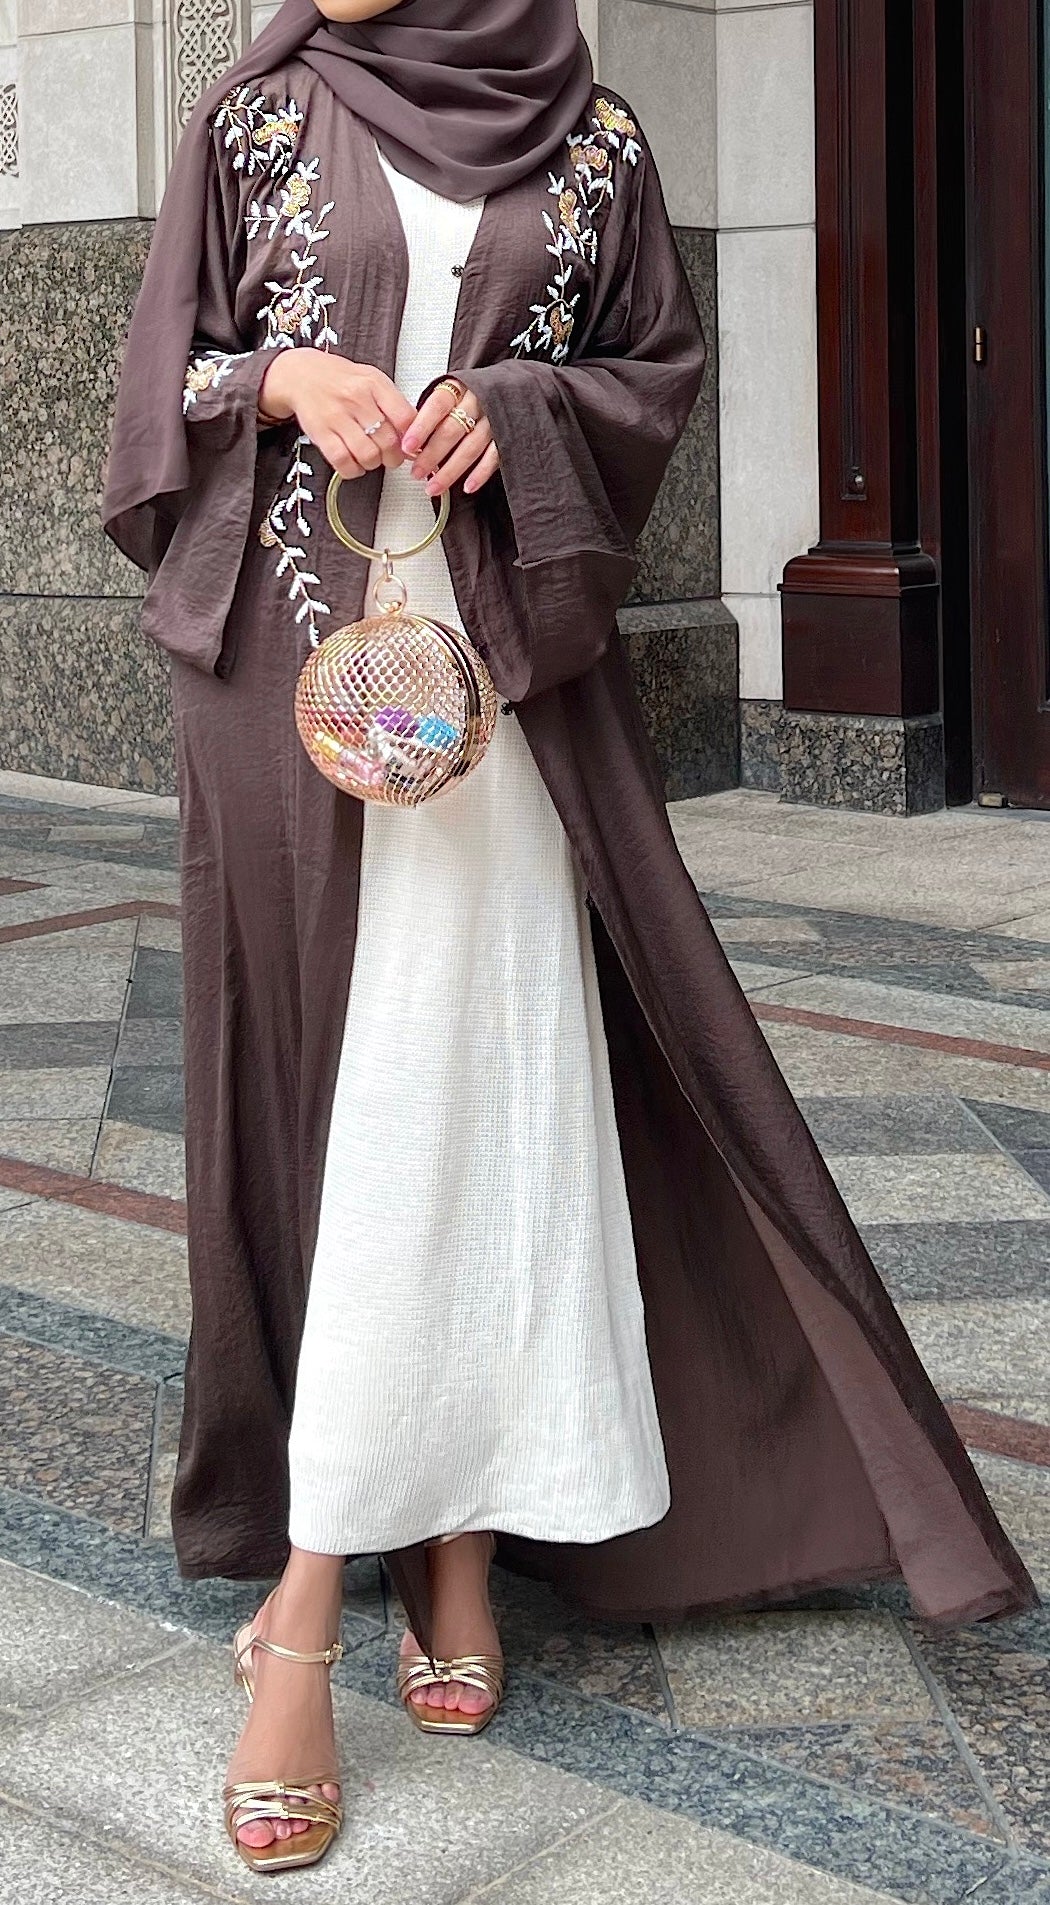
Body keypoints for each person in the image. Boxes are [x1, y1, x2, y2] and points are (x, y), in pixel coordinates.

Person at [104, 0, 1037, 1877]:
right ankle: (323, 1570)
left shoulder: (593, 138)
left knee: (475, 1098)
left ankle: (435, 1547)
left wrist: (513, 411)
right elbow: (159, 383)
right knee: (341, 1103)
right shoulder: (252, 117)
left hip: (507, 695)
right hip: (300, 685)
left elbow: (649, 377)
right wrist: (285, 382)